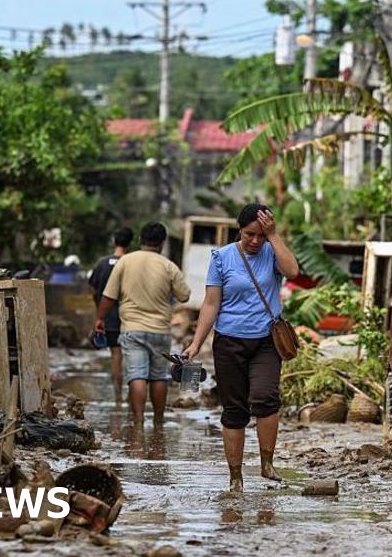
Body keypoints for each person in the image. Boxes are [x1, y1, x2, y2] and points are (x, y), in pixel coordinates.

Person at [183, 204, 300, 492]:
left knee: (265, 398)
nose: (255, 241)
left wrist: (274, 235)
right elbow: (211, 303)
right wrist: (196, 344)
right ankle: (235, 476)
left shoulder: (272, 251)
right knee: (234, 410)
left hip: (266, 341)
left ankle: (267, 463)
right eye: (250, 234)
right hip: (229, 342)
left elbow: (293, 271)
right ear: (240, 229)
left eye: (261, 235)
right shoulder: (222, 258)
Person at [95, 222, 190, 424]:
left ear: (140, 240)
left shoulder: (125, 262)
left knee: (136, 374)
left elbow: (108, 296)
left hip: (132, 329)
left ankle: (138, 420)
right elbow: (184, 296)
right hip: (160, 330)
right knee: (158, 376)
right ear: (162, 243)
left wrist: (100, 319)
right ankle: (158, 420)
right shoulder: (168, 265)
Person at [88, 227, 134, 403]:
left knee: (116, 355)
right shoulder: (131, 263)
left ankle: (118, 397)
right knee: (132, 355)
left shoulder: (102, 263)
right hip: (131, 317)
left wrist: (99, 312)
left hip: (109, 318)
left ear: (115, 241)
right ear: (130, 243)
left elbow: (93, 288)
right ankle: (133, 394)